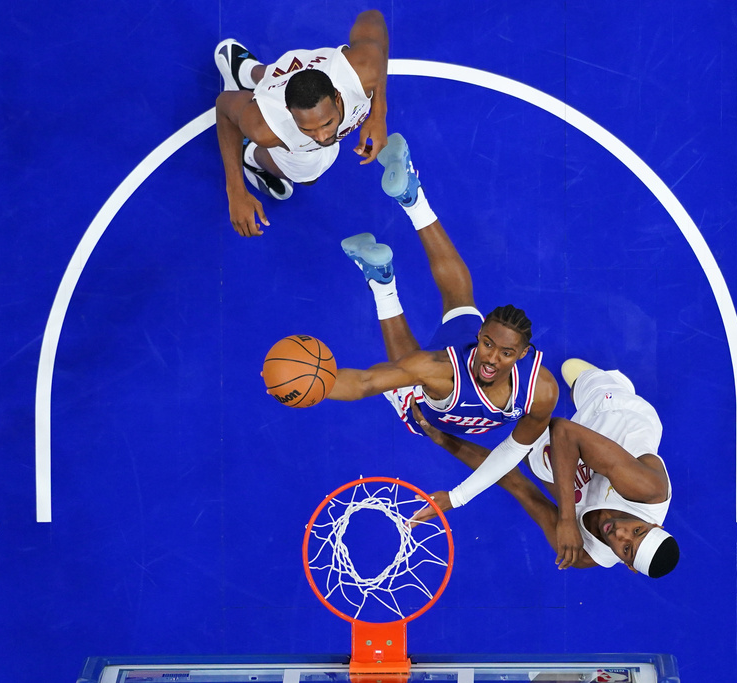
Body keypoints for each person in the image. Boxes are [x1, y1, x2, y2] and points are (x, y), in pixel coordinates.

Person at [324, 133, 560, 515]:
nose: (492, 359)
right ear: (479, 337)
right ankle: (382, 282)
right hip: (435, 391)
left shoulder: (542, 390)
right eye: (488, 345)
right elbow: (366, 382)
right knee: (408, 372)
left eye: (505, 353)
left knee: (460, 301)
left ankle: (412, 204)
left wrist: (457, 496)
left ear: (524, 355)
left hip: (457, 385)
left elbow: (513, 451)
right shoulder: (439, 371)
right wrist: (313, 386)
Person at [409, 359, 680, 579]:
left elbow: (518, 486)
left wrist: (442, 438)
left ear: (627, 565)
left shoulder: (586, 554)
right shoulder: (648, 490)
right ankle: (600, 380)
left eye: (627, 549)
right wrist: (566, 521)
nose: (621, 534)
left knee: (536, 456)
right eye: (637, 531)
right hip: (614, 413)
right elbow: (563, 430)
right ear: (653, 523)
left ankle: (533, 424)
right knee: (575, 376)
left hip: (575, 457)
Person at [214, 9, 389, 237]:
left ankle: (246, 71)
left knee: (274, 74)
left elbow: (373, 18)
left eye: (327, 123)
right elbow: (224, 106)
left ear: (337, 97)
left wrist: (378, 115)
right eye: (308, 128)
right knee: (308, 177)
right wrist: (235, 191)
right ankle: (251, 156)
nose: (321, 136)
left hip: (296, 69)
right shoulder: (268, 127)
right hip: (279, 95)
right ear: (290, 112)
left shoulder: (362, 71)